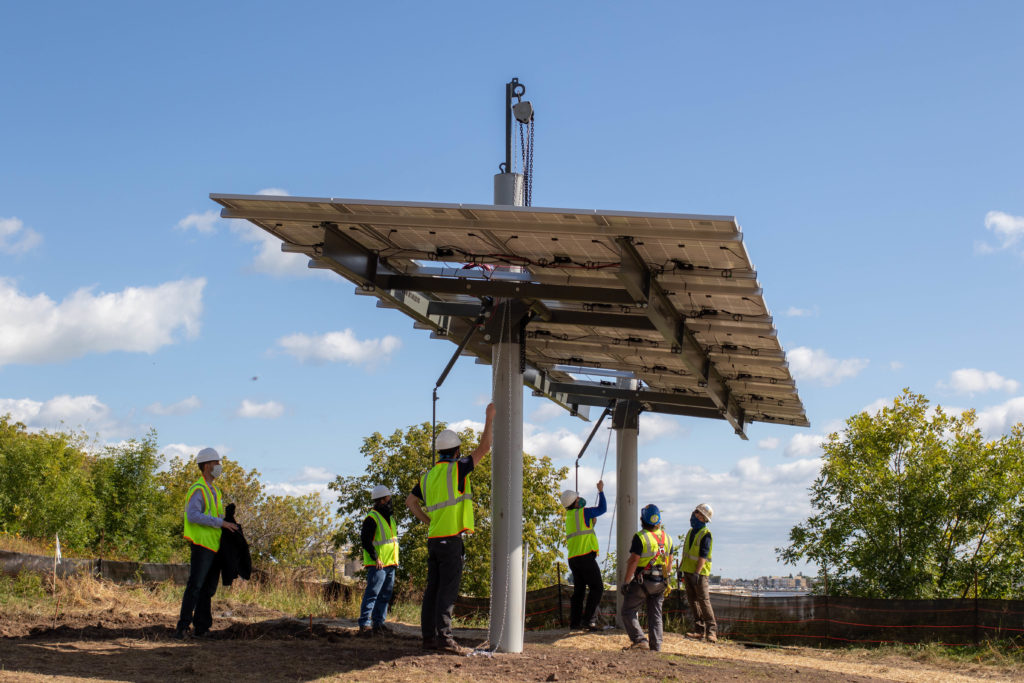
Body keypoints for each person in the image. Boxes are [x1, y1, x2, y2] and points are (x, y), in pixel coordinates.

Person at [407, 403, 495, 655]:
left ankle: (429, 638)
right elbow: (484, 449)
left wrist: (428, 521)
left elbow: (410, 503)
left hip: (434, 539)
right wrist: (489, 418)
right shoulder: (457, 469)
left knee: (432, 590)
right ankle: (445, 638)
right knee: (447, 592)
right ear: (456, 451)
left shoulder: (428, 476)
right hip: (450, 541)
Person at [175, 447, 239, 639]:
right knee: (195, 586)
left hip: (213, 545)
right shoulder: (199, 489)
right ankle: (182, 627)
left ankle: (202, 627)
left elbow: (213, 516)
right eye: (216, 463)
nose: (219, 466)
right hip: (202, 545)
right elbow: (193, 515)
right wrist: (221, 522)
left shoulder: (215, 491)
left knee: (207, 589)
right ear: (206, 466)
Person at [619, 503, 673, 652]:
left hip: (643, 582)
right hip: (661, 582)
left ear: (642, 520)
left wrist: (626, 581)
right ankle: (656, 647)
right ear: (659, 521)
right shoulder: (667, 538)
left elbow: (634, 561)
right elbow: (669, 564)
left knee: (628, 611)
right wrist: (666, 580)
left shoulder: (640, 537)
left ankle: (640, 640)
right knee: (655, 615)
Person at [559, 480, 607, 631]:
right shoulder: (584, 512)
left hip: (573, 559)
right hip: (585, 557)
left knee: (579, 591)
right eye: (578, 499)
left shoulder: (570, 518)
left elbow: (582, 532)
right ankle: (589, 620)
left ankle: (575, 623)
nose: (580, 500)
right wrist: (600, 491)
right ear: (575, 502)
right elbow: (603, 508)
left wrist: (591, 525)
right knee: (597, 587)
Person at [358, 484, 399, 636]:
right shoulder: (372, 518)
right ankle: (365, 624)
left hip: (390, 563)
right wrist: (376, 558)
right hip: (379, 564)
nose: (390, 501)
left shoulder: (389, 518)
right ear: (382, 500)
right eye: (388, 498)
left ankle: (378, 624)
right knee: (372, 593)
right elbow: (365, 540)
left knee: (384, 595)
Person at [679, 502, 717, 643]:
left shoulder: (706, 534)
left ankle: (712, 631)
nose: (694, 515)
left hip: (699, 574)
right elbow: (686, 553)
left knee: (704, 601)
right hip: (688, 571)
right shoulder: (691, 532)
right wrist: (681, 569)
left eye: (697, 513)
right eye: (695, 512)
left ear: (703, 518)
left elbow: (703, 555)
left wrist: (697, 572)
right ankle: (699, 630)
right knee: (693, 601)